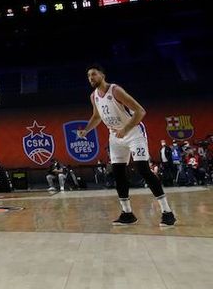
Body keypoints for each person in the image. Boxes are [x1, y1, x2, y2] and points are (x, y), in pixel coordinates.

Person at [75, 64, 175, 227]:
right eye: (88, 76)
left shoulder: (115, 90)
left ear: (102, 75)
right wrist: (85, 131)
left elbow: (140, 111)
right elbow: (96, 116)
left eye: (93, 74)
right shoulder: (94, 96)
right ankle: (127, 214)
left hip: (134, 133)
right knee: (118, 173)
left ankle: (167, 212)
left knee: (143, 170)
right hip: (115, 137)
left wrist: (125, 129)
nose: (90, 78)